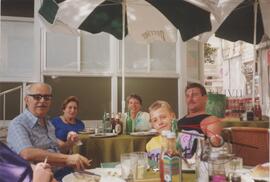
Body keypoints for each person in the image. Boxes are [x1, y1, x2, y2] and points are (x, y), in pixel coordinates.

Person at [7, 83, 90, 181]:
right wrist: (67, 159)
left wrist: (69, 144)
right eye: (37, 97)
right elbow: (27, 153)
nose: (42, 101)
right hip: (39, 177)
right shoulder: (18, 124)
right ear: (27, 100)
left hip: (61, 171)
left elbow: (56, 151)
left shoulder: (49, 123)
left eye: (47, 98)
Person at [177, 82, 222, 159]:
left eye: (194, 95)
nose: (190, 99)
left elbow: (214, 150)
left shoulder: (211, 121)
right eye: (187, 96)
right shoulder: (179, 122)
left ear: (205, 98)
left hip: (199, 166)